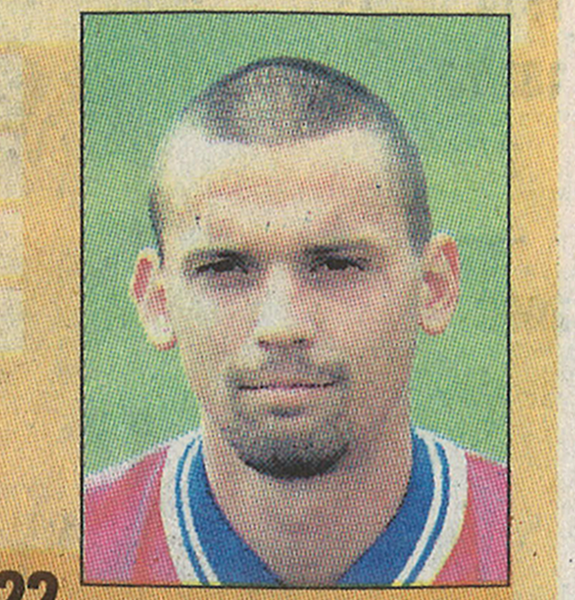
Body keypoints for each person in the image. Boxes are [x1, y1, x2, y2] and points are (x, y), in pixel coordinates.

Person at [84, 57, 507, 587]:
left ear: (434, 286)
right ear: (157, 301)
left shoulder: (543, 538)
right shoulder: (69, 543)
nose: (281, 325)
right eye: (224, 268)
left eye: (338, 264)